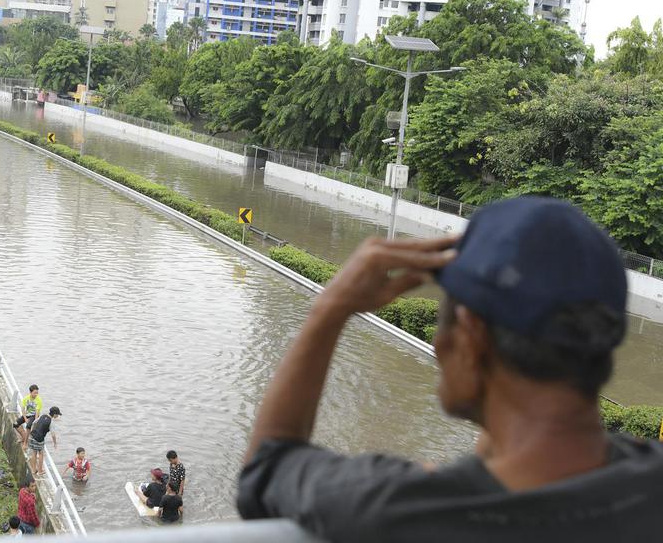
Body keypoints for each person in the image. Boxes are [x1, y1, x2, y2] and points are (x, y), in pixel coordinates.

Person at [237, 196, 663, 541]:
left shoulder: (401, 510)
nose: (438, 347)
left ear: (471, 334)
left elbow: (269, 464)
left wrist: (329, 310)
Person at [27, 407, 61, 476]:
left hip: (32, 436)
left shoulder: (43, 415)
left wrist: (32, 432)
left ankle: (33, 470)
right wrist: (55, 443)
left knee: (34, 452)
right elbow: (53, 434)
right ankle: (40, 471)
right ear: (54, 414)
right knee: (41, 454)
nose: (58, 416)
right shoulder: (50, 422)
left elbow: (33, 423)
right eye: (57, 414)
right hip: (39, 439)